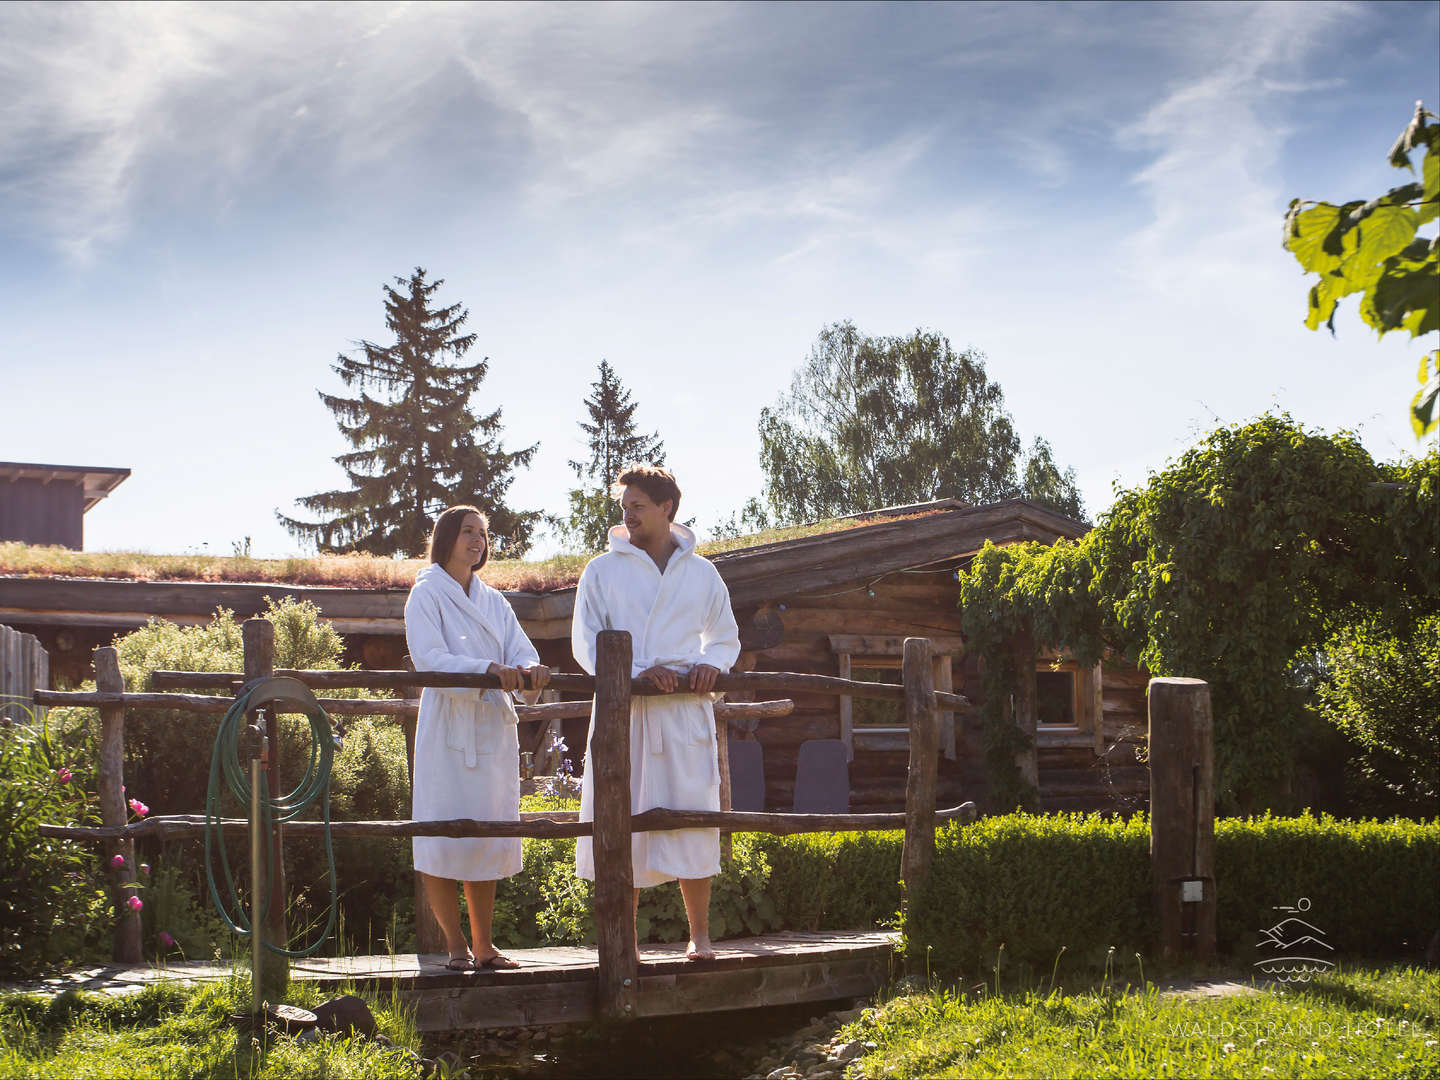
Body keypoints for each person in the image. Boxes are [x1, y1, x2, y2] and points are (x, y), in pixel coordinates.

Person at [572, 464, 741, 961]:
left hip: (684, 712)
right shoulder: (602, 570)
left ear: (666, 508)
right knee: (620, 817)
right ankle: (625, 941)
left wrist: (709, 666)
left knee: (693, 817)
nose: (629, 515)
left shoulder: (702, 572)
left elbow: (724, 636)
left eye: (638, 506)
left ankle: (700, 936)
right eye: (625, 507)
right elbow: (586, 644)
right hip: (624, 713)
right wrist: (638, 673)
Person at [404, 505, 550, 971]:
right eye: (468, 532)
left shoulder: (494, 601)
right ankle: (454, 945)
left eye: (483, 535)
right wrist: (484, 668)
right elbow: (428, 657)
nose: (477, 542)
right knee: (441, 833)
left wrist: (530, 668)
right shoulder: (425, 595)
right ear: (446, 537)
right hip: (448, 727)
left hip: (488, 729)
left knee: (486, 833)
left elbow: (519, 647)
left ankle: (485, 945)